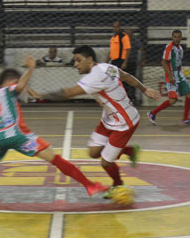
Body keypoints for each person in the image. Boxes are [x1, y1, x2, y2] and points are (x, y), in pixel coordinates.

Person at [0, 56, 109, 198]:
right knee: (55, 159)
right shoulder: (9, 91)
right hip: (18, 136)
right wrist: (31, 67)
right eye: (15, 82)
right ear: (10, 82)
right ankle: (89, 185)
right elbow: (20, 85)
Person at [29, 45, 161, 191]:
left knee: (105, 163)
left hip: (125, 122)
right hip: (109, 117)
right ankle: (129, 151)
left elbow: (68, 93)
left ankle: (118, 185)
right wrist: (144, 89)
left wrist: (40, 96)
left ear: (90, 59)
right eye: (74, 61)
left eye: (78, 60)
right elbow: (126, 76)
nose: (75, 64)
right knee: (93, 153)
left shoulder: (96, 76)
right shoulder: (106, 67)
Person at [147, 29, 190, 126]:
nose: (177, 38)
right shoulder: (169, 47)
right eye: (175, 36)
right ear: (172, 37)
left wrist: (179, 74)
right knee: (173, 100)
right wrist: (170, 76)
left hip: (179, 74)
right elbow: (163, 62)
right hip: (170, 75)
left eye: (179, 37)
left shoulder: (180, 48)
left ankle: (185, 119)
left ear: (181, 37)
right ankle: (152, 113)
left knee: (189, 94)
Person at [109, 21, 137, 103]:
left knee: (124, 80)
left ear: (120, 27)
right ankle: (114, 97)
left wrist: (125, 62)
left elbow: (128, 49)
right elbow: (111, 51)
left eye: (117, 27)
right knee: (112, 78)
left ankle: (127, 98)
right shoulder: (113, 37)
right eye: (114, 27)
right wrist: (106, 62)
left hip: (120, 62)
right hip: (114, 62)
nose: (115, 28)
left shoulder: (124, 36)